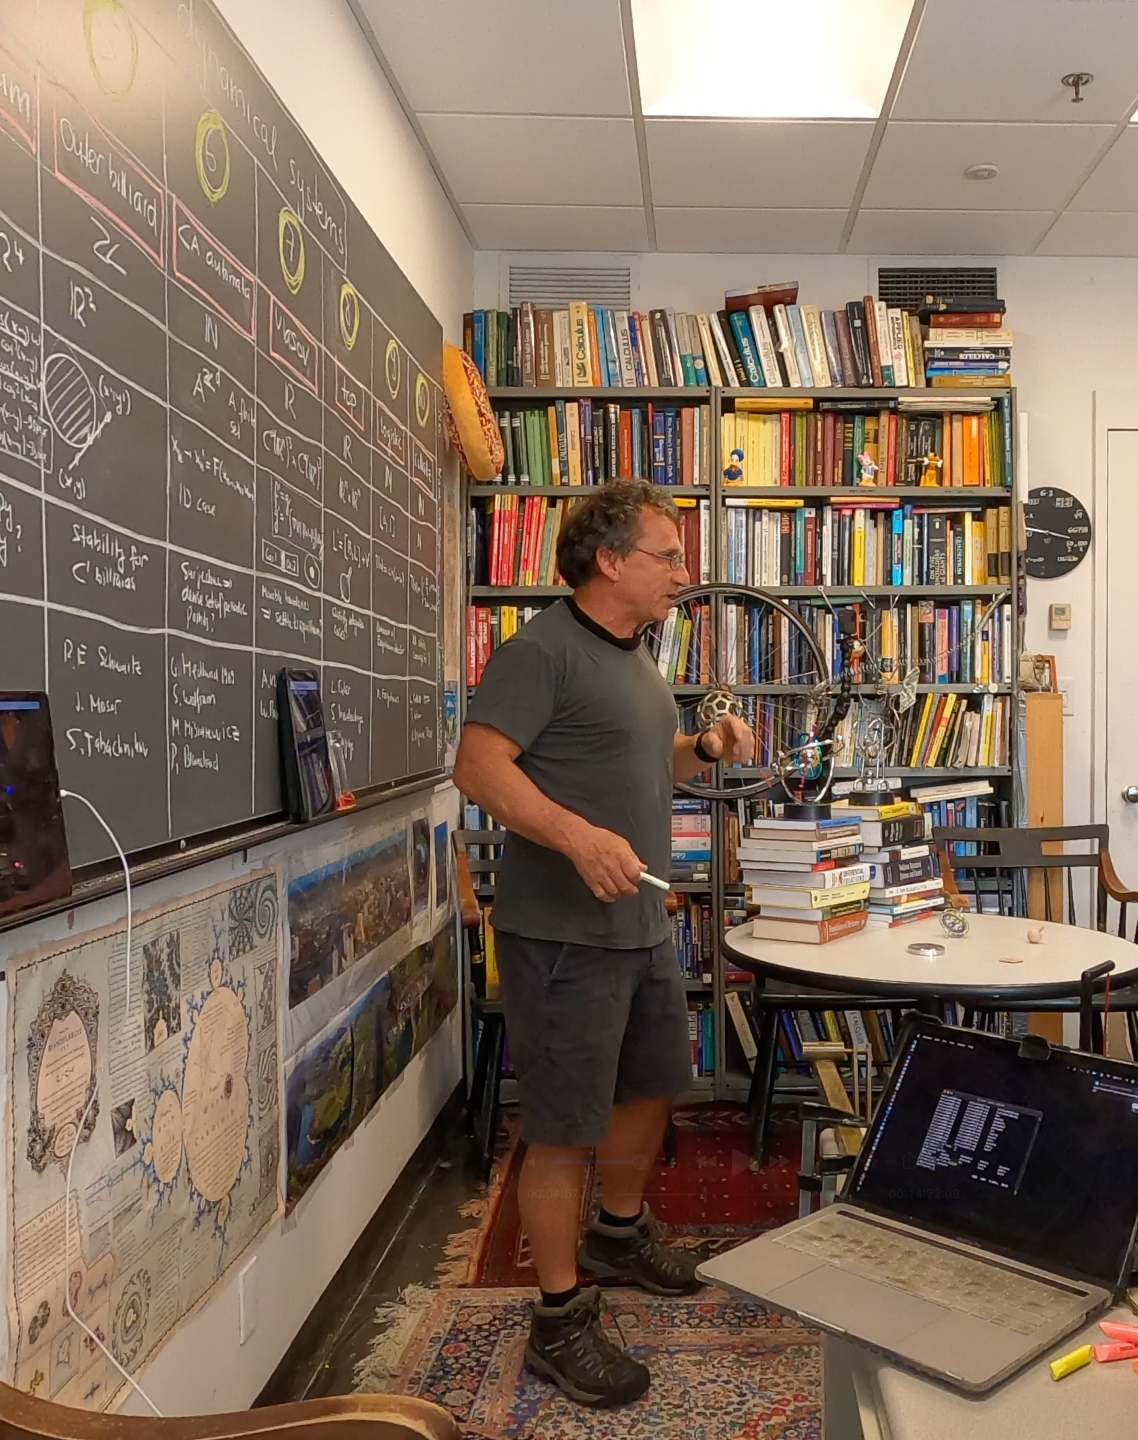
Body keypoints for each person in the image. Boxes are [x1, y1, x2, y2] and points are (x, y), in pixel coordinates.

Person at [453, 480, 755, 1407]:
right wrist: (578, 838)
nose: (683, 572)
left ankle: (617, 1234)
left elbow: (639, 758)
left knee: (654, 1083)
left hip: (637, 924)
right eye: (668, 554)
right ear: (610, 560)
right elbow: (477, 768)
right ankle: (558, 1318)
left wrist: (702, 749)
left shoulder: (636, 656)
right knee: (561, 1128)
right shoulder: (539, 651)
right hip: (560, 936)